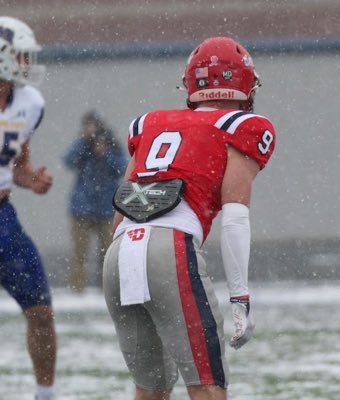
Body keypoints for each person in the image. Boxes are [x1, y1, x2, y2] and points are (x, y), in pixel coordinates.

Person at [103, 36, 276, 400]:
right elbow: (234, 217)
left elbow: (120, 213)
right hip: (171, 250)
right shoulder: (242, 126)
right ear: (244, 84)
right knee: (207, 386)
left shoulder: (149, 124)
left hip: (119, 254)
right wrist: (240, 297)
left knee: (150, 389)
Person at [0, 16, 57, 400]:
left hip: (3, 217)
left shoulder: (29, 103)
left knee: (40, 310)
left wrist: (30, 178)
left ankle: (45, 394)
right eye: (20, 55)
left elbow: (16, 166)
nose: (26, 63)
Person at [64, 110, 127, 291]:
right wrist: (84, 143)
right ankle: (77, 289)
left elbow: (123, 167)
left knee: (108, 253)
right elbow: (68, 161)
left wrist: (105, 152)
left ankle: (106, 289)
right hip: (81, 208)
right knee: (79, 253)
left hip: (107, 208)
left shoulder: (111, 143)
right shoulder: (82, 146)